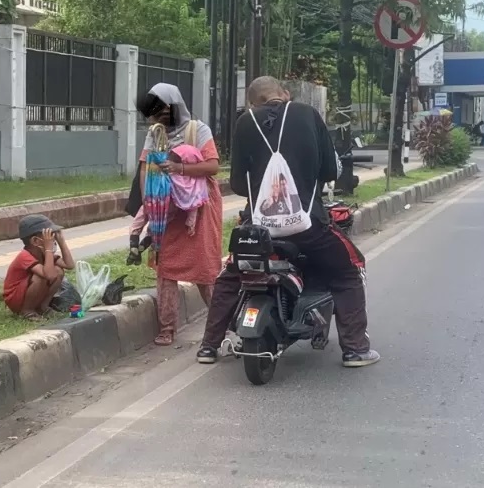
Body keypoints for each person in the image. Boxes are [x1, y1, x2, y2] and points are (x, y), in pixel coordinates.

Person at [195, 76, 380, 368]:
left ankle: (208, 347)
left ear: (252, 102)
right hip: (310, 228)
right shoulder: (308, 114)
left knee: (230, 278)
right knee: (349, 269)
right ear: (284, 94)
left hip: (256, 230)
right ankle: (355, 349)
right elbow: (330, 170)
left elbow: (239, 185)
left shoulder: (245, 123)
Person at [135, 83, 222, 346]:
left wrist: (178, 168)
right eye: (154, 111)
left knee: (205, 271)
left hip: (198, 208)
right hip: (166, 210)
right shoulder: (154, 134)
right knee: (166, 269)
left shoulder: (198, 129)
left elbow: (213, 167)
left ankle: (223, 324)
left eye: (163, 109)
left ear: (175, 106)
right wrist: (149, 204)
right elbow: (144, 168)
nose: (159, 115)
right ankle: (167, 327)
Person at [3, 214, 76, 320]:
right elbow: (49, 275)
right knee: (42, 275)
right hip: (16, 298)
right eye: (49, 237)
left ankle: (43, 307)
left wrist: (62, 242)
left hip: (29, 294)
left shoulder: (44, 255)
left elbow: (69, 265)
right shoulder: (25, 256)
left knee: (58, 271)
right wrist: (48, 249)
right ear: (35, 241)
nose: (53, 240)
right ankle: (27, 311)